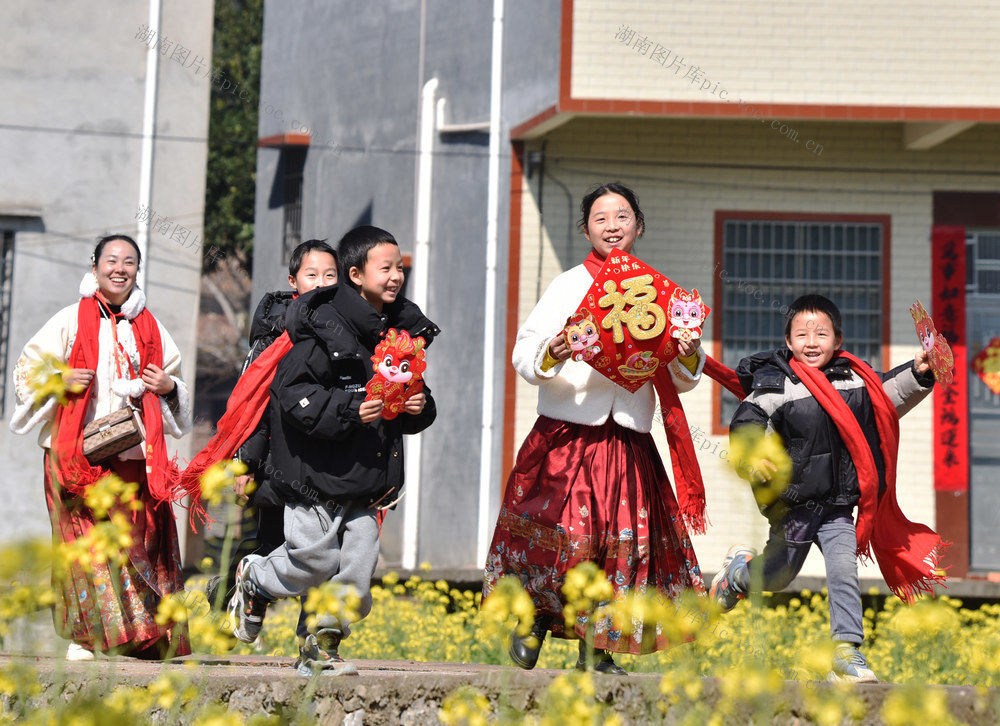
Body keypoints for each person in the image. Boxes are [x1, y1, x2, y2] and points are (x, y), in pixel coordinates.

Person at [483, 182, 707, 675]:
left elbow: (683, 376)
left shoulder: (660, 292)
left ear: (639, 226)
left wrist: (690, 350)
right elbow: (524, 353)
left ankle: (596, 648)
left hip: (627, 439)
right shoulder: (566, 285)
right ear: (585, 230)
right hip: (565, 435)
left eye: (622, 217)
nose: (612, 226)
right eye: (600, 218)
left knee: (617, 544)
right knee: (558, 535)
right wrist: (554, 351)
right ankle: (533, 620)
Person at [227, 225, 438, 676]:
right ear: (356, 275)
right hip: (314, 474)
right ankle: (256, 579)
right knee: (314, 562)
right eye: (386, 268)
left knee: (357, 570)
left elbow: (407, 395)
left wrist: (418, 405)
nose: (396, 276)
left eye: (399, 268)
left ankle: (321, 648)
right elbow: (291, 393)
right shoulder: (323, 326)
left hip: (368, 477)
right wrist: (349, 408)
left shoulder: (400, 331)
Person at [710, 294, 941, 683]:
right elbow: (747, 423)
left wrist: (918, 372)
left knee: (843, 568)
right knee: (778, 575)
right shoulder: (774, 384)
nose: (812, 342)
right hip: (792, 505)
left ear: (838, 340)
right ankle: (736, 577)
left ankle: (846, 652)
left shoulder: (855, 379)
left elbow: (888, 396)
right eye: (802, 334)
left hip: (837, 504)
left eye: (821, 333)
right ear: (788, 341)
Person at [10, 234, 195, 661]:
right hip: (74, 456)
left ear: (137, 270)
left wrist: (167, 387)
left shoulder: (151, 326)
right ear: (94, 267)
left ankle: (144, 637)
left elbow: (175, 381)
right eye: (111, 260)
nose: (119, 268)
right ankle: (87, 637)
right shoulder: (69, 320)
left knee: (139, 541)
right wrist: (59, 380)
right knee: (84, 545)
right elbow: (25, 372)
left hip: (132, 458)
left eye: (129, 261)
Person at [205, 239, 339, 637]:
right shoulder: (276, 332)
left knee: (328, 554)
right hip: (278, 461)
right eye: (311, 275)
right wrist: (245, 464)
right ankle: (230, 592)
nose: (320, 283)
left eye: (329, 275)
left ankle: (315, 644)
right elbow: (252, 402)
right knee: (273, 545)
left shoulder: (345, 329)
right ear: (293, 281)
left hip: (329, 463)